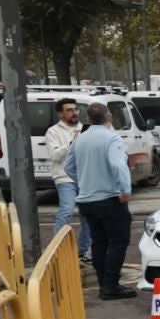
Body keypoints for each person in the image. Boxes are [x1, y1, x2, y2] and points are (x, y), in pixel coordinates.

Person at [63, 102, 135, 300]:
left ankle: (104, 283)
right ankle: (111, 285)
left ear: (88, 119)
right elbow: (118, 165)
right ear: (109, 117)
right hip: (109, 197)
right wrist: (125, 190)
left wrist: (84, 180)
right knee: (118, 240)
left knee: (99, 241)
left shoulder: (80, 139)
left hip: (87, 199)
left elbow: (68, 167)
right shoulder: (112, 139)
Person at [45, 98, 93, 264]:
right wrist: (72, 143)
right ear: (60, 113)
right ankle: (57, 249)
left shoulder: (84, 129)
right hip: (64, 176)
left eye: (76, 109)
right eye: (69, 110)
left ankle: (83, 251)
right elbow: (55, 156)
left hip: (84, 176)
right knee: (67, 209)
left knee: (88, 214)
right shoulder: (53, 131)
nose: (74, 113)